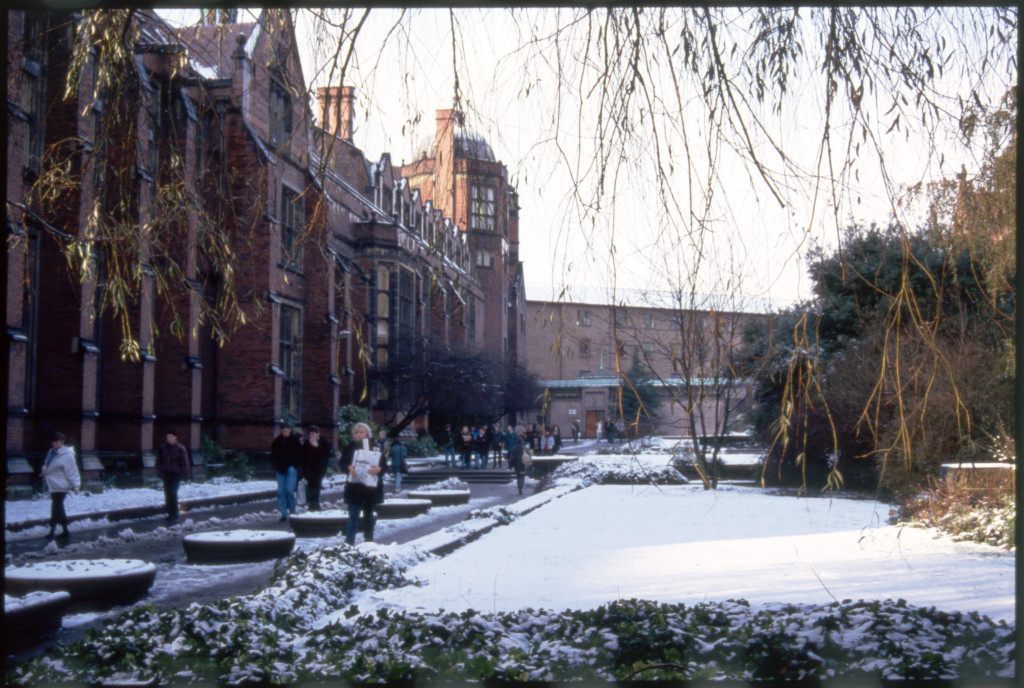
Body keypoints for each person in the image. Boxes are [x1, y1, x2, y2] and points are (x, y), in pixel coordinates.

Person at [340, 422, 386, 545]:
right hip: (354, 487)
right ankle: (349, 543)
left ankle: (369, 541)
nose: (359, 435)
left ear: (367, 434)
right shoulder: (350, 447)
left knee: (368, 515)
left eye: (361, 432)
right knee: (353, 514)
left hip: (370, 488)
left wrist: (379, 469)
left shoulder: (375, 446)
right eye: (356, 432)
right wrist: (348, 468)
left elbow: (384, 465)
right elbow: (342, 463)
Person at [40, 432, 80, 539]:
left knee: (56, 507)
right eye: (52, 441)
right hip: (53, 485)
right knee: (59, 508)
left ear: (62, 442)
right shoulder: (51, 452)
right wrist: (44, 470)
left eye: (56, 441)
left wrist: (76, 486)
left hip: (62, 485)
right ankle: (65, 531)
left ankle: (52, 531)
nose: (53, 443)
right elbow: (47, 464)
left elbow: (72, 471)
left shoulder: (68, 455)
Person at [155, 429, 191, 523]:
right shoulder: (163, 448)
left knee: (172, 492)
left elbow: (184, 462)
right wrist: (159, 472)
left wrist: (186, 474)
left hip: (176, 474)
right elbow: (158, 461)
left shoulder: (180, 449)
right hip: (166, 473)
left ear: (175, 437)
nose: (168, 439)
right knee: (167, 493)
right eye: (167, 437)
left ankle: (175, 512)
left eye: (170, 437)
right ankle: (170, 513)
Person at [270, 426, 303, 522]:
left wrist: (296, 465)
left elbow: (299, 454)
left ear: (289, 430)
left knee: (290, 491)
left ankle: (292, 511)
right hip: (280, 468)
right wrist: (275, 465)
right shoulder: (277, 442)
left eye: (285, 431)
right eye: (282, 431)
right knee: (281, 491)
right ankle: (284, 513)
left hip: (291, 467)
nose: (284, 433)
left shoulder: (295, 441)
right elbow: (273, 455)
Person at [303, 425, 331, 511]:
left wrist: (317, 447)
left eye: (313, 434)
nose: (311, 436)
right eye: (310, 434)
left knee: (316, 486)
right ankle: (311, 504)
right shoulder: (307, 443)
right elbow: (303, 455)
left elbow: (326, 454)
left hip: (319, 469)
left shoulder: (323, 442)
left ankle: (315, 504)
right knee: (310, 487)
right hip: (309, 469)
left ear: (318, 434)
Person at [507, 425, 529, 495]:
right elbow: (528, 456)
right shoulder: (524, 448)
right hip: (523, 464)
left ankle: (519, 487)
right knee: (522, 476)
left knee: (518, 476)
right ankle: (521, 487)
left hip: (516, 465)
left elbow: (511, 458)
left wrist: (510, 465)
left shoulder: (514, 449)